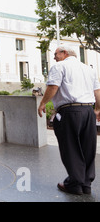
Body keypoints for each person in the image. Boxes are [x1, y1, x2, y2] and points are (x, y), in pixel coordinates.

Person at [38, 46, 100, 195]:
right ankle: (86, 184)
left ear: (64, 53)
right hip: (88, 111)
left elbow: (53, 86)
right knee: (88, 148)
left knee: (71, 148)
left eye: (55, 54)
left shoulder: (59, 66)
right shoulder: (89, 69)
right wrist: (98, 109)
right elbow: (97, 91)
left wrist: (43, 103)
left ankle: (74, 183)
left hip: (70, 111)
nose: (54, 57)